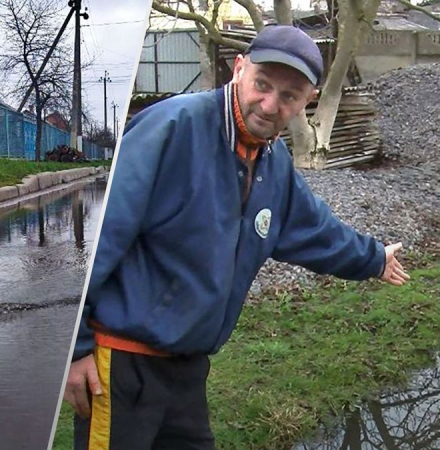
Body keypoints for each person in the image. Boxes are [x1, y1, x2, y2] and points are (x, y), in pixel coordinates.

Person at [64, 25, 410, 450]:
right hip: (121, 365)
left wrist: (373, 258)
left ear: (308, 101)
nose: (269, 104)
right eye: (262, 84)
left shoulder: (273, 159)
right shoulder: (173, 127)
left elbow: (314, 230)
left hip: (186, 370)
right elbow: (100, 235)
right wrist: (74, 346)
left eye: (289, 95)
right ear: (239, 68)